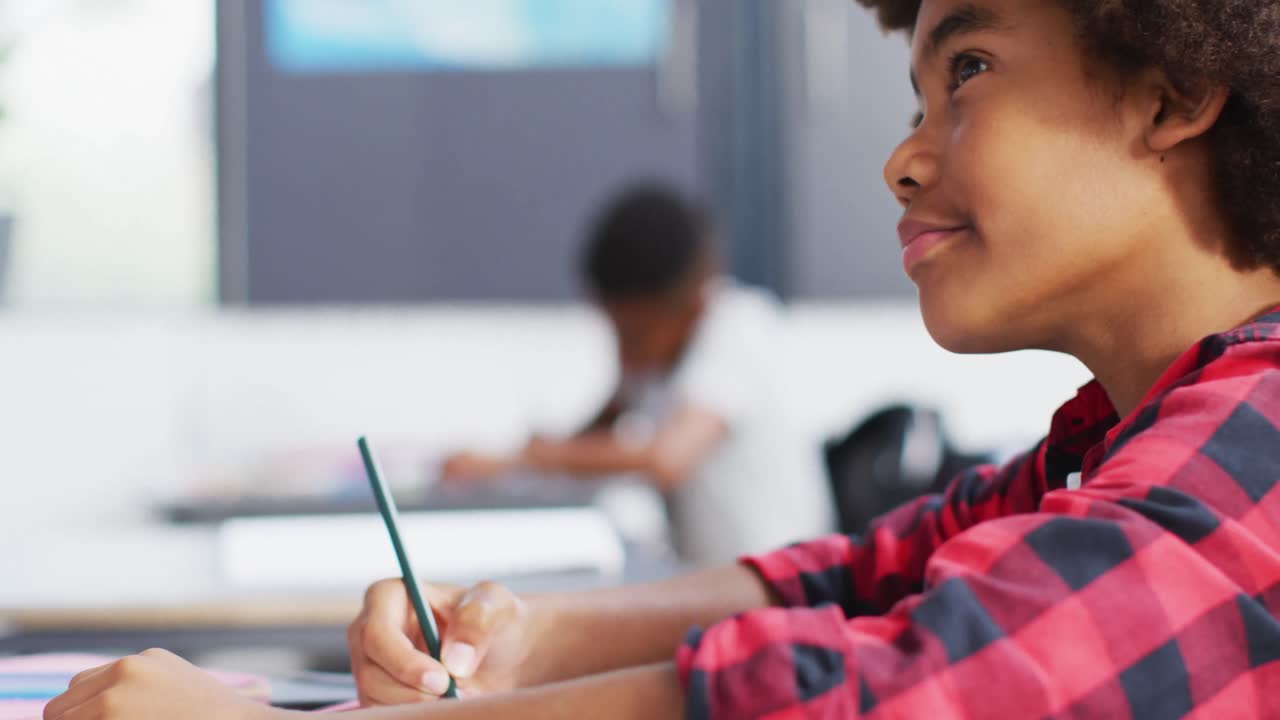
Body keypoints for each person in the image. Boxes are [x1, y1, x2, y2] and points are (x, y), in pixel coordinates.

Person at [42, 0, 1280, 716]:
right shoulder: (1108, 443)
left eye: (964, 69)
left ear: (1170, 88)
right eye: (911, 102)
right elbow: (862, 578)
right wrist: (530, 639)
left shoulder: (1258, 441)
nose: (899, 161)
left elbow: (907, 685)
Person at [442, 183, 833, 565]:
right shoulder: (655, 355)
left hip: (782, 581)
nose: (623, 352)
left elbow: (667, 458)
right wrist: (502, 463)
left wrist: (530, 457)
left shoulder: (740, 325)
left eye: (633, 334)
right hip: (706, 577)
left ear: (693, 301)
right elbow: (592, 436)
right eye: (614, 331)